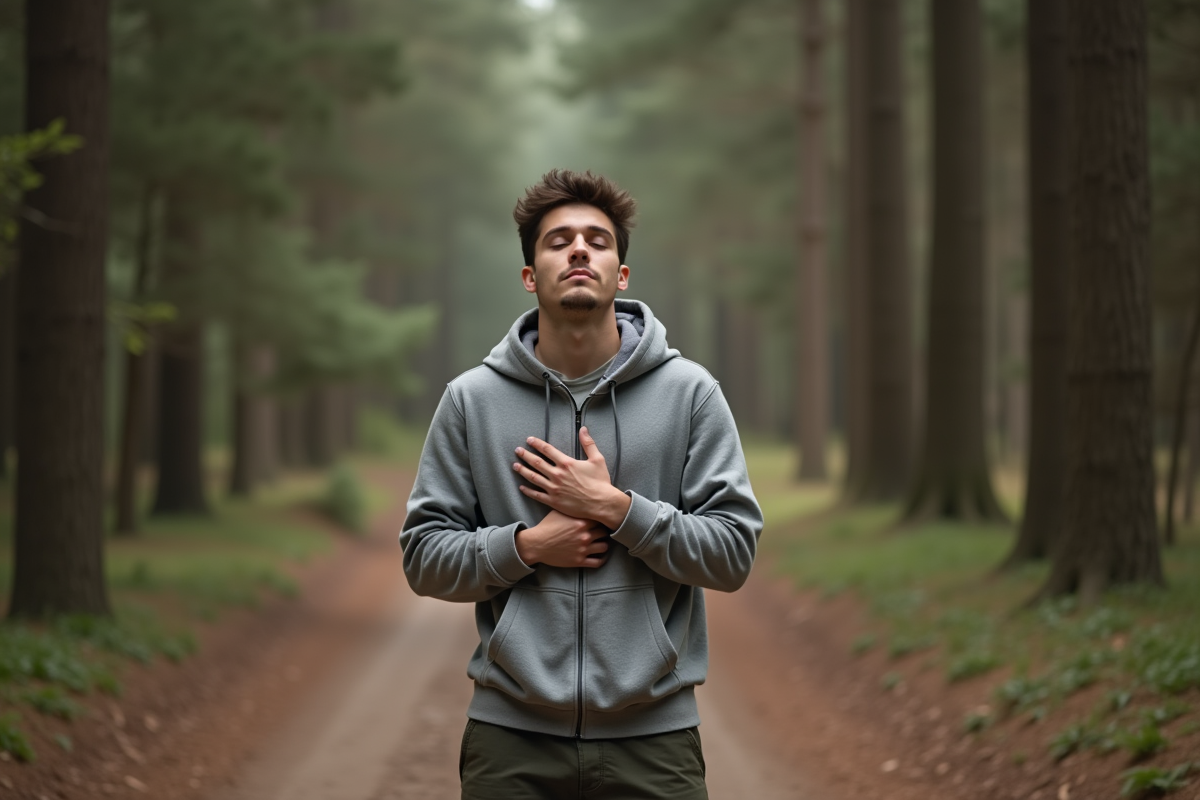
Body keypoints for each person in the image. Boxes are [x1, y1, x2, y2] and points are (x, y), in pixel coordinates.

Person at [400, 168, 763, 800]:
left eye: (597, 240)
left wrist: (618, 509)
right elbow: (424, 558)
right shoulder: (471, 401)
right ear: (529, 274)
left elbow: (733, 553)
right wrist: (528, 547)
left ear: (621, 274)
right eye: (558, 240)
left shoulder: (690, 394)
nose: (578, 251)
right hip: (509, 740)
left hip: (655, 741)